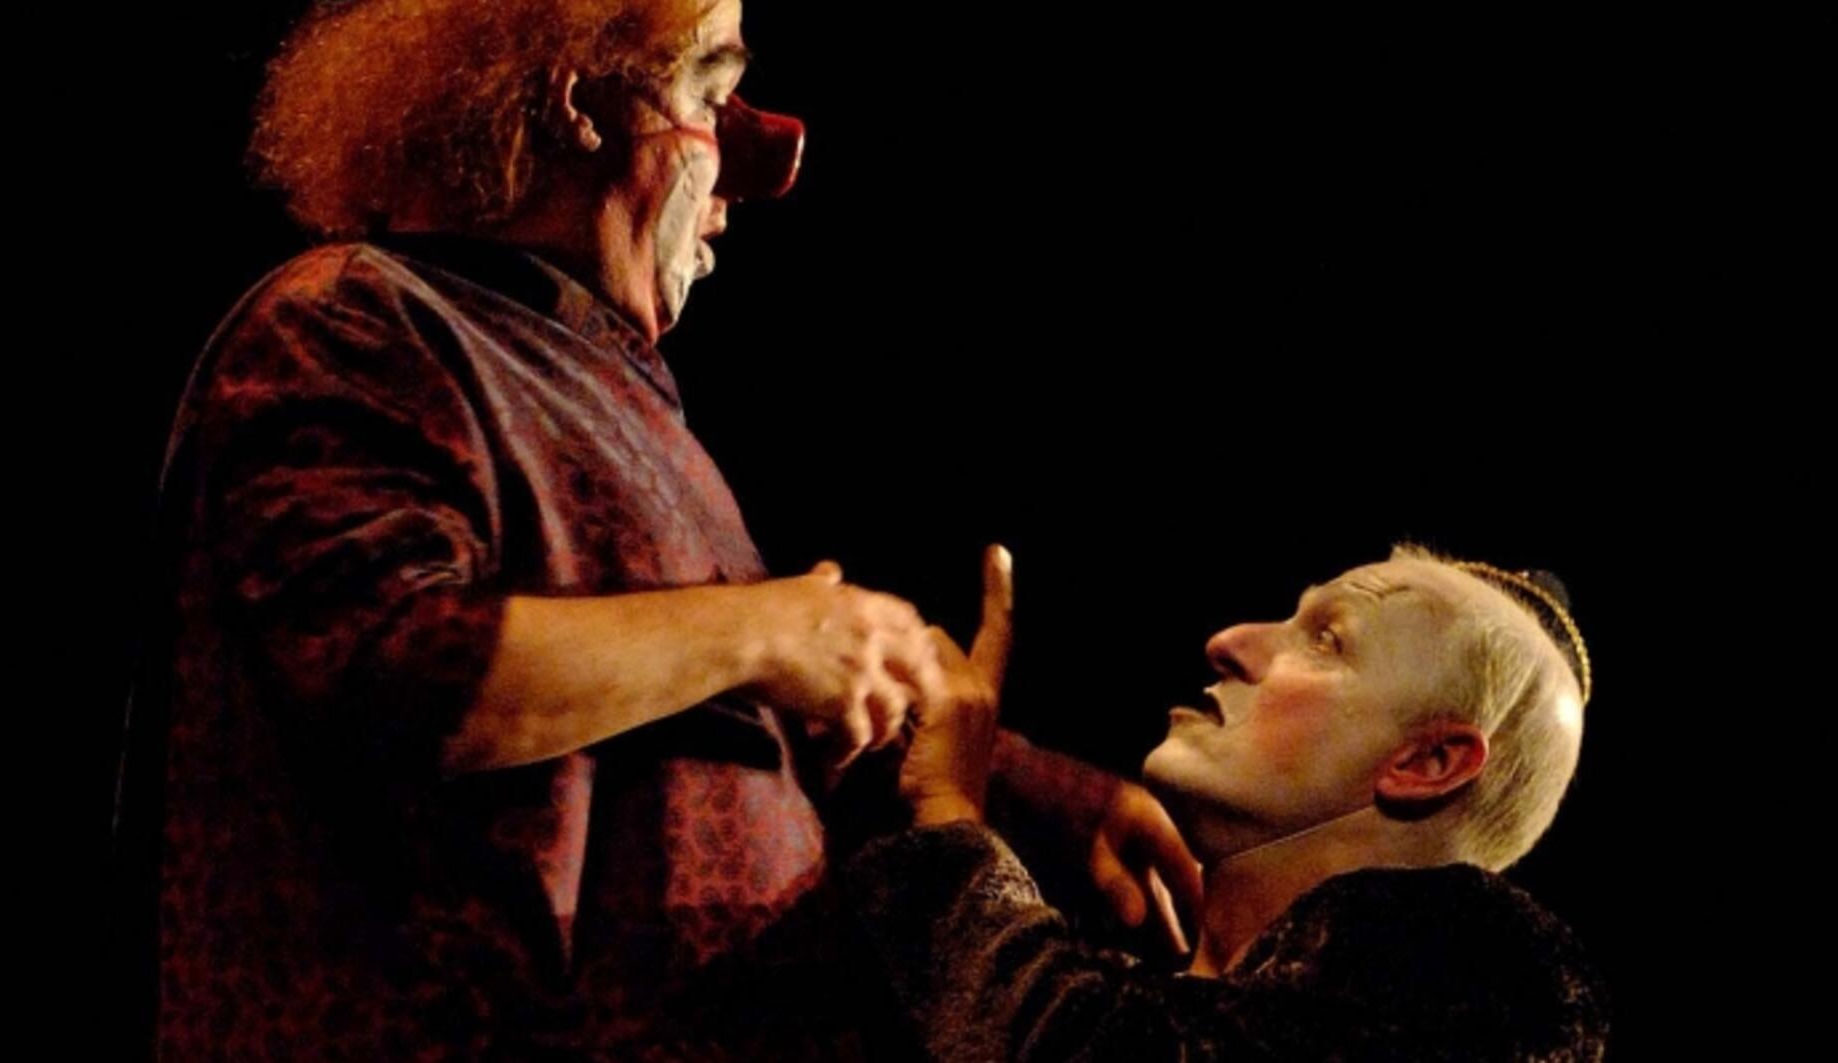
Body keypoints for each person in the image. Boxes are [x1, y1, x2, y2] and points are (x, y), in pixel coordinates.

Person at [113, 1, 1188, 1057]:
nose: (755, 172)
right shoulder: (357, 317)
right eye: (710, 97)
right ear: (582, 103)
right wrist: (767, 629)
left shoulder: (597, 383)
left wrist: (1034, 792)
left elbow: (712, 703)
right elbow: (388, 672)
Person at [849, 544, 1611, 1060]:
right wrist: (1002, 767)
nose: (1230, 640)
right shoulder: (1161, 983)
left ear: (1426, 761)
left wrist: (949, 808)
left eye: (1327, 639)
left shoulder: (1492, 997)